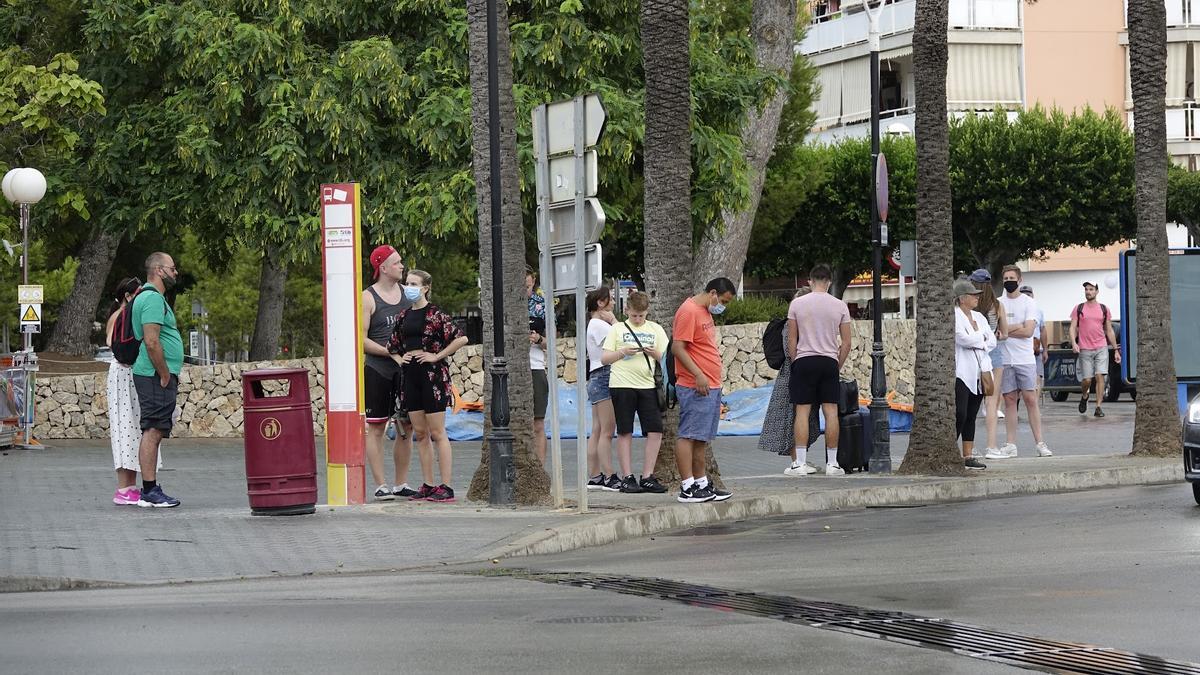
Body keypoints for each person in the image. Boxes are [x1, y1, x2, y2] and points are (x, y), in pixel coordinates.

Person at [387, 269, 469, 502]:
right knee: (420, 433)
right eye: (407, 283)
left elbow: (461, 338)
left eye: (414, 283)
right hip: (410, 376)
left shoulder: (436, 315)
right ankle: (428, 484)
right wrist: (399, 359)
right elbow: (392, 345)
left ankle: (446, 485)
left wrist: (436, 355)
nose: (408, 286)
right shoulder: (403, 316)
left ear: (425, 288)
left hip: (433, 377)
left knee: (437, 432)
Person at [672, 277, 738, 504]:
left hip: (710, 385)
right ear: (712, 293)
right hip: (695, 386)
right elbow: (677, 347)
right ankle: (687, 487)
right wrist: (698, 374)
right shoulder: (688, 311)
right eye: (723, 300)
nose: (723, 306)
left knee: (701, 438)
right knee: (688, 434)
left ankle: (701, 483)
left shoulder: (705, 312)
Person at [361, 245, 418, 501]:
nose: (402, 266)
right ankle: (380, 484)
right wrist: (390, 351)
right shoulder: (368, 298)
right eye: (397, 263)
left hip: (405, 371)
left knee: (406, 426)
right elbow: (361, 340)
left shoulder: (409, 294)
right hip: (378, 370)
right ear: (383, 268)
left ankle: (400, 483)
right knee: (377, 427)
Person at [787, 264, 853, 476]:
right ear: (829, 282)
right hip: (828, 362)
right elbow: (846, 342)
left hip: (804, 361)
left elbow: (792, 338)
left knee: (802, 412)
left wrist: (795, 361)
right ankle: (832, 464)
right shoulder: (840, 305)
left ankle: (800, 463)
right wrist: (837, 363)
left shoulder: (797, 304)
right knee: (831, 411)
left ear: (810, 280)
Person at [602, 291, 670, 494]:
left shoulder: (655, 329)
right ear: (626, 311)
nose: (638, 319)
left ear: (647, 312)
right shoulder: (617, 329)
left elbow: (667, 359)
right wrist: (622, 352)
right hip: (622, 384)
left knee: (655, 430)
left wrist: (654, 352)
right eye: (634, 316)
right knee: (625, 430)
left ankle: (648, 475)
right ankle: (627, 476)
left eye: (642, 316)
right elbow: (604, 358)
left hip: (648, 385)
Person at [131, 252, 184, 507]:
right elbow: (152, 342)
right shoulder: (152, 299)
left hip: (155, 374)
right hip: (154, 375)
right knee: (152, 429)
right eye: (173, 269)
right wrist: (164, 373)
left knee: (156, 428)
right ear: (160, 270)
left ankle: (150, 489)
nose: (176, 273)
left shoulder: (151, 297)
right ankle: (150, 491)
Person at [988, 265, 1053, 459]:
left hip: (1025, 359)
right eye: (1005, 278)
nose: (1009, 281)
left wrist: (1007, 330)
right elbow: (996, 331)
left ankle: (1040, 443)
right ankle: (1010, 444)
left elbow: (1028, 331)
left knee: (1031, 399)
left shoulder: (1028, 303)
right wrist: (1016, 328)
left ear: (1020, 280)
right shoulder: (998, 303)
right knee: (1009, 400)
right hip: (1005, 360)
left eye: (1012, 278)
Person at [106, 277, 161, 505]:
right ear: (128, 296)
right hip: (123, 373)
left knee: (134, 427)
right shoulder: (121, 316)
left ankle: (130, 484)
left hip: (130, 373)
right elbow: (112, 342)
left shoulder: (127, 315)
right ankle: (124, 487)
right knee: (125, 426)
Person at [759, 288, 820, 475]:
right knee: (793, 417)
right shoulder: (792, 326)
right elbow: (790, 350)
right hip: (793, 374)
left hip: (794, 373)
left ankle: (800, 459)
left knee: (802, 417)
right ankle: (797, 461)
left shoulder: (800, 324)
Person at [954, 279, 995, 470]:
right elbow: (962, 339)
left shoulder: (980, 317)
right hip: (962, 371)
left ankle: (968, 455)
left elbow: (992, 339)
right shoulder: (954, 316)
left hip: (981, 371)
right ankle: (951, 451)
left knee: (971, 414)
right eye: (973, 295)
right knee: (960, 413)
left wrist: (979, 340)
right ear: (962, 299)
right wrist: (982, 338)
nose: (977, 297)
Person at [584, 286, 621, 492]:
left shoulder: (594, 324)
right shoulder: (599, 325)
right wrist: (615, 322)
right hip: (604, 374)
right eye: (611, 299)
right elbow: (620, 340)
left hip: (597, 375)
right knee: (607, 430)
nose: (614, 303)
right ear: (600, 303)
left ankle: (595, 475)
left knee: (598, 429)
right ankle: (608, 476)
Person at [971, 269, 1009, 457]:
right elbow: (1005, 334)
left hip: (973, 354)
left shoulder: (970, 306)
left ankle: (968, 448)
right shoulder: (997, 305)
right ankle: (992, 447)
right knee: (992, 403)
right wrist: (997, 335)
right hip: (993, 354)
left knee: (970, 402)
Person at [1069, 280, 1120, 418]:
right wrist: (1074, 342)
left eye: (1091, 289)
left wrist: (1115, 349)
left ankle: (1098, 407)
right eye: (1086, 289)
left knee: (1100, 376)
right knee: (1087, 380)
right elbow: (1073, 327)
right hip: (1085, 348)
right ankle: (1084, 395)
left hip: (1101, 347)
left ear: (1097, 291)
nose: (1088, 292)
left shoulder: (1104, 309)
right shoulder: (1079, 308)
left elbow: (1109, 330)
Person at [527, 270, 549, 465]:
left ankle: (540, 469)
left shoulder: (541, 305)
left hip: (535, 367)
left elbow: (552, 342)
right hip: (513, 368)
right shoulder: (504, 303)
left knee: (538, 422)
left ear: (533, 281)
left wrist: (539, 339)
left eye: (527, 286)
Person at [1020, 285, 1049, 393]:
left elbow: (1043, 330)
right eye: (1024, 294)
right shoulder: (1017, 311)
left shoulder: (1038, 311)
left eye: (1028, 294)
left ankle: (1035, 405)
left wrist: (1045, 350)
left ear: (1033, 295)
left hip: (1036, 349)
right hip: (1021, 349)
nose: (1026, 297)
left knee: (1038, 377)